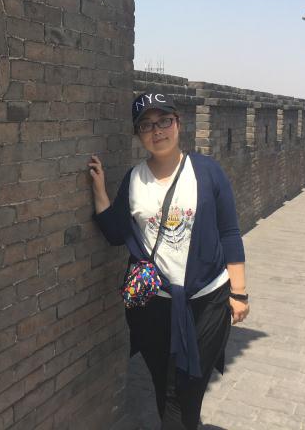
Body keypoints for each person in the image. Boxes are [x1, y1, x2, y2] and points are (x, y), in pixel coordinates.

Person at [88, 91, 249, 430]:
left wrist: (239, 292)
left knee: (186, 390)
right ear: (138, 134)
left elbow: (229, 233)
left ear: (178, 123)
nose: (157, 130)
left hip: (207, 301)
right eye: (146, 125)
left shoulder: (207, 172)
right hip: (154, 306)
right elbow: (116, 233)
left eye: (164, 121)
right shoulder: (134, 179)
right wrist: (100, 190)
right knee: (165, 385)